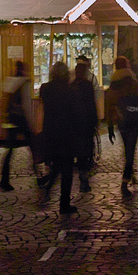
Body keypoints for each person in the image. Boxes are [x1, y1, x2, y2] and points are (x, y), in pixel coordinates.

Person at [39, 61, 81, 214]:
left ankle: (48, 188)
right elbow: (76, 114)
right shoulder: (70, 90)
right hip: (67, 134)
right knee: (67, 170)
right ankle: (64, 203)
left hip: (51, 132)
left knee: (56, 164)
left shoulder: (46, 89)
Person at [105, 55, 138, 196]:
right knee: (130, 150)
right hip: (133, 118)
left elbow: (109, 105)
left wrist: (110, 126)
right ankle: (125, 181)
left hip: (120, 119)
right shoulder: (132, 81)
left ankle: (131, 174)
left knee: (127, 148)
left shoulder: (113, 83)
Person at [0, 61, 36, 192]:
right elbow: (26, 104)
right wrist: (31, 123)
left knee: (10, 150)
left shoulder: (10, 81)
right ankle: (39, 176)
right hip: (21, 119)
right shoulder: (25, 82)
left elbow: (5, 101)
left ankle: (4, 180)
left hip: (11, 119)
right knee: (33, 147)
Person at [71, 61, 98, 193]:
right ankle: (84, 179)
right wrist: (94, 121)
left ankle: (81, 179)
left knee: (77, 151)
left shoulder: (71, 86)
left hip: (75, 124)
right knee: (85, 152)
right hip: (86, 124)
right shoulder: (87, 85)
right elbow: (91, 105)